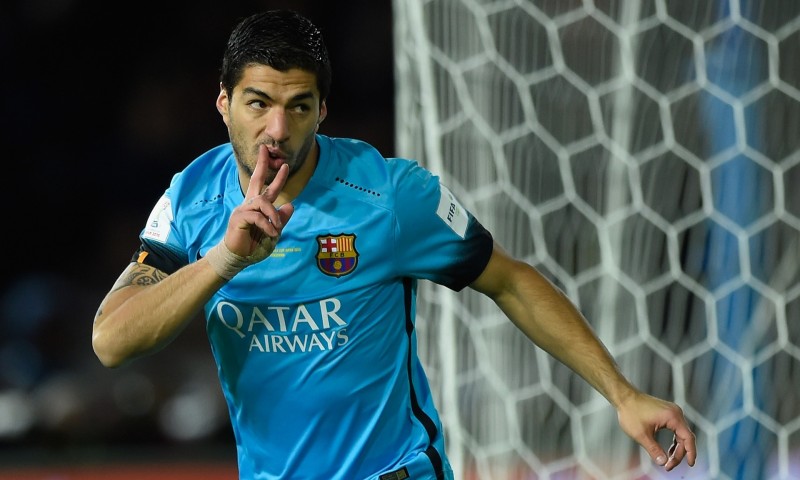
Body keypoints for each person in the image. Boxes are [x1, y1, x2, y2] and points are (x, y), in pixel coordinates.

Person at [92, 9, 697, 480]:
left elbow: (509, 279)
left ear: (322, 110)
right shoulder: (191, 198)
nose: (277, 129)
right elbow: (112, 341)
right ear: (223, 102)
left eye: (298, 106)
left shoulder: (391, 195)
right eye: (259, 103)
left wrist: (623, 394)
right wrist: (224, 260)